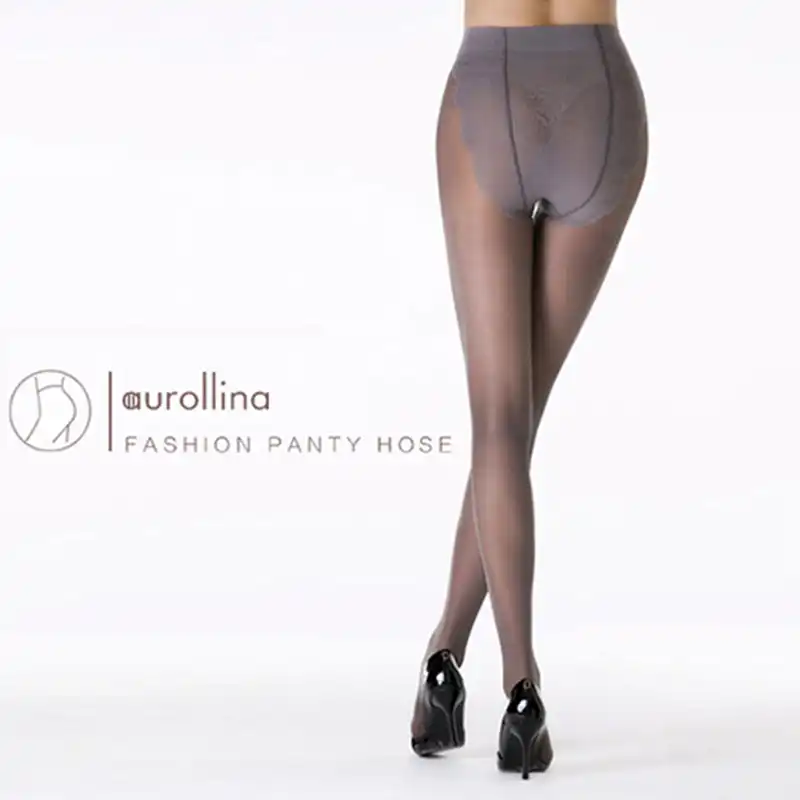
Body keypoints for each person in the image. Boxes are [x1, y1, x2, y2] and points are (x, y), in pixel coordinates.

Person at [410, 0, 648, 779]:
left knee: (500, 422)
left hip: (492, 84)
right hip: (601, 94)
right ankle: (448, 656)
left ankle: (519, 680)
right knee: (517, 420)